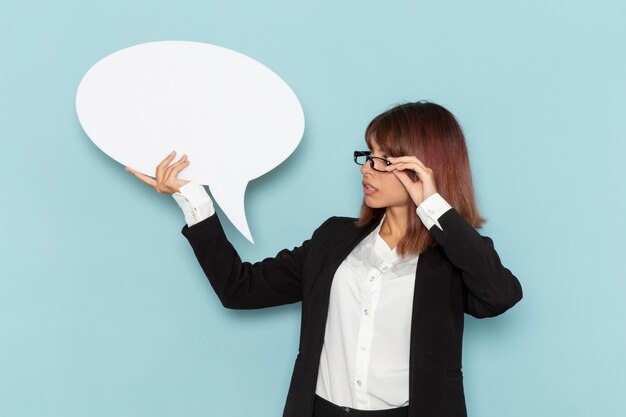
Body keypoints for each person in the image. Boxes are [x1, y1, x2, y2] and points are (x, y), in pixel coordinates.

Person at [125, 101, 523, 417]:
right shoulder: (335, 238)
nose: (368, 169)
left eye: (386, 160)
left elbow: (499, 297)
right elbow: (239, 289)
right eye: (368, 155)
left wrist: (434, 207)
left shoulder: (454, 256)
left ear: (425, 170)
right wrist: (195, 201)